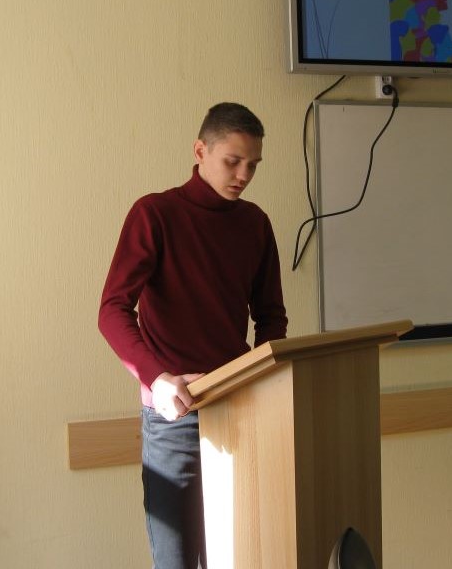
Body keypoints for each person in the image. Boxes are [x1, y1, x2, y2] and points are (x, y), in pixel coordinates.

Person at [98, 102, 288, 569]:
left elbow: (271, 317)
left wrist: (260, 379)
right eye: (232, 161)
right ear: (200, 151)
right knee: (177, 560)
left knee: (240, 554)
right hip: (174, 416)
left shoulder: (255, 223)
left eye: (253, 165)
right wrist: (156, 378)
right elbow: (112, 310)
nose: (243, 175)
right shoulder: (155, 214)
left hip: (239, 406)